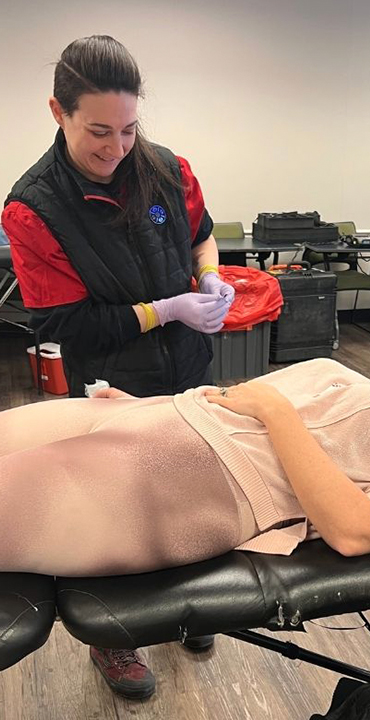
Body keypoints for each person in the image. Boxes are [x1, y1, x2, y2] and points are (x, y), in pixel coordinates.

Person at [0, 351, 370, 684]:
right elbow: (234, 398)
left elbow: (358, 529)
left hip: (192, 476)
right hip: (163, 416)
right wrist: (142, 405)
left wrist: (277, 413)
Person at [0, 34, 233, 697]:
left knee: (191, 492)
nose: (116, 147)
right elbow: (68, 327)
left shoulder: (166, 168)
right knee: (114, 512)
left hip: (185, 368)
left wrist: (211, 282)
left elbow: (201, 233)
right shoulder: (33, 208)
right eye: (98, 131)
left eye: (128, 129)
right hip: (105, 383)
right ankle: (114, 639)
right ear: (58, 111)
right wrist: (170, 308)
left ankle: (193, 606)